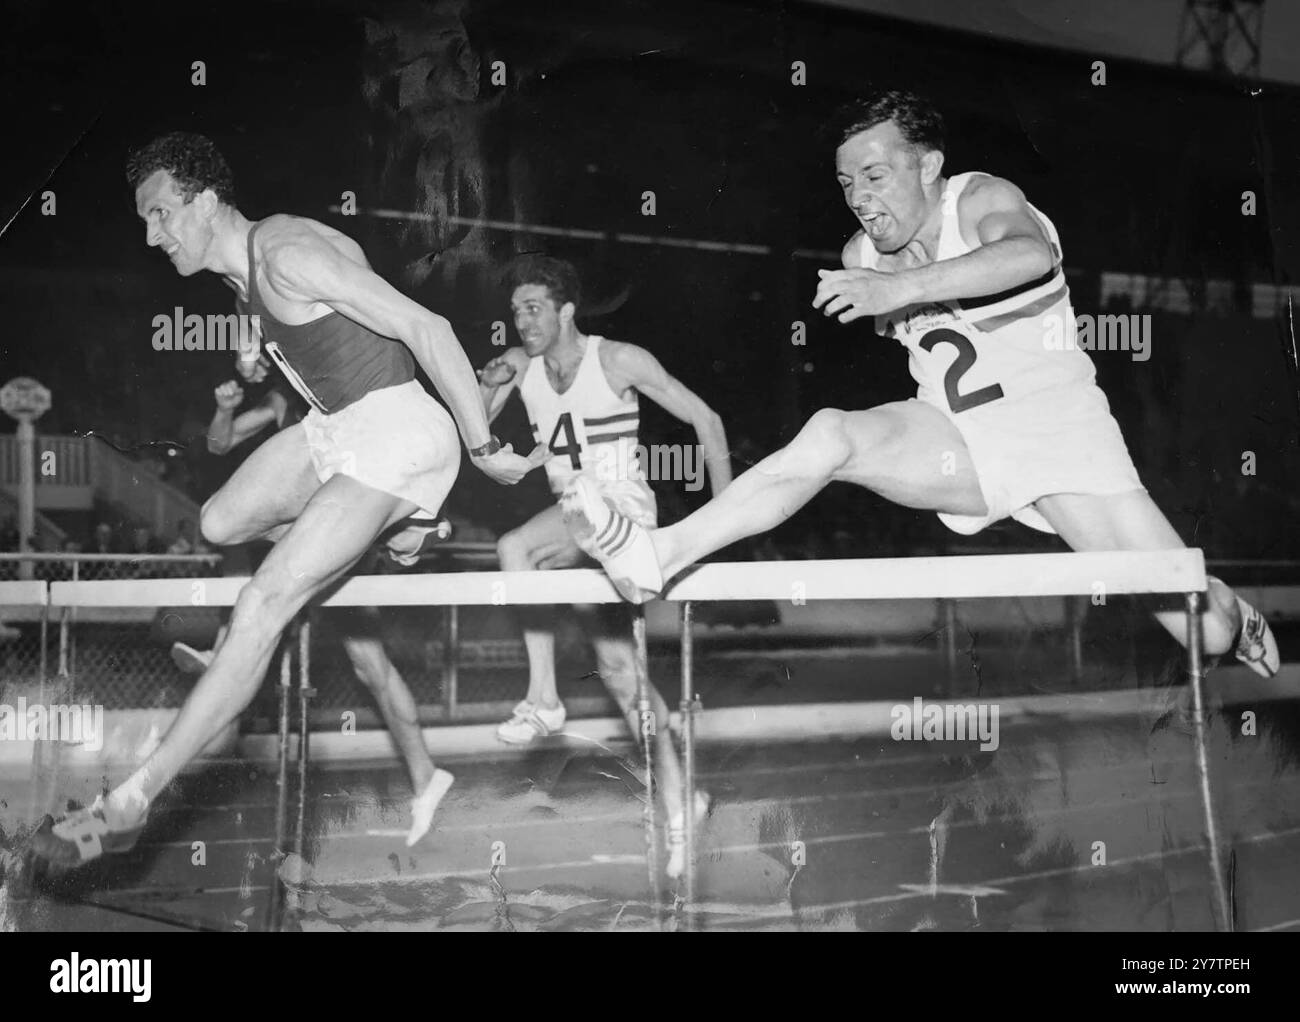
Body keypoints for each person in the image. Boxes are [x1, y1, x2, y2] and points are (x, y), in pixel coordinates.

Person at [564, 90, 1278, 683]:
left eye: (875, 176)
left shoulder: (981, 199)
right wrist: (886, 287)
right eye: (847, 184)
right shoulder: (860, 254)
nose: (860, 199)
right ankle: (655, 557)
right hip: (958, 439)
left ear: (930, 165)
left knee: (1201, 632)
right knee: (831, 433)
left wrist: (899, 288)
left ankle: (1233, 611)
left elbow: (1027, 255)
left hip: (1064, 442)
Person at [31, 131, 540, 871]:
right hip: (336, 429)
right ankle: (368, 550)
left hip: (401, 429)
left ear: (206, 202)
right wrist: (252, 346)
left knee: (264, 603)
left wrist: (483, 444)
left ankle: (135, 798)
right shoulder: (245, 278)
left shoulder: (285, 256)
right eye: (144, 219)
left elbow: (423, 326)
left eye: (162, 213)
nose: (152, 234)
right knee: (220, 519)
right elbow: (294, 331)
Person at [477, 255, 730, 876]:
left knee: (565, 525)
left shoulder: (618, 359)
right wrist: (489, 382)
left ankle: (614, 545)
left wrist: (723, 522)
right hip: (574, 520)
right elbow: (477, 433)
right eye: (515, 311)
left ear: (566, 311)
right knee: (618, 669)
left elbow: (707, 418)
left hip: (624, 508)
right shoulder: (521, 365)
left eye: (533, 308)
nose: (521, 320)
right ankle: (677, 799)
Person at [169, 376, 455, 846]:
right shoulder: (285, 404)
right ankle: (221, 652)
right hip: (305, 541)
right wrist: (224, 407)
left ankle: (426, 778)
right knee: (237, 548)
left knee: (370, 665)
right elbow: (220, 443)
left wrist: (430, 527)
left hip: (349, 533)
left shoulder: (360, 394)